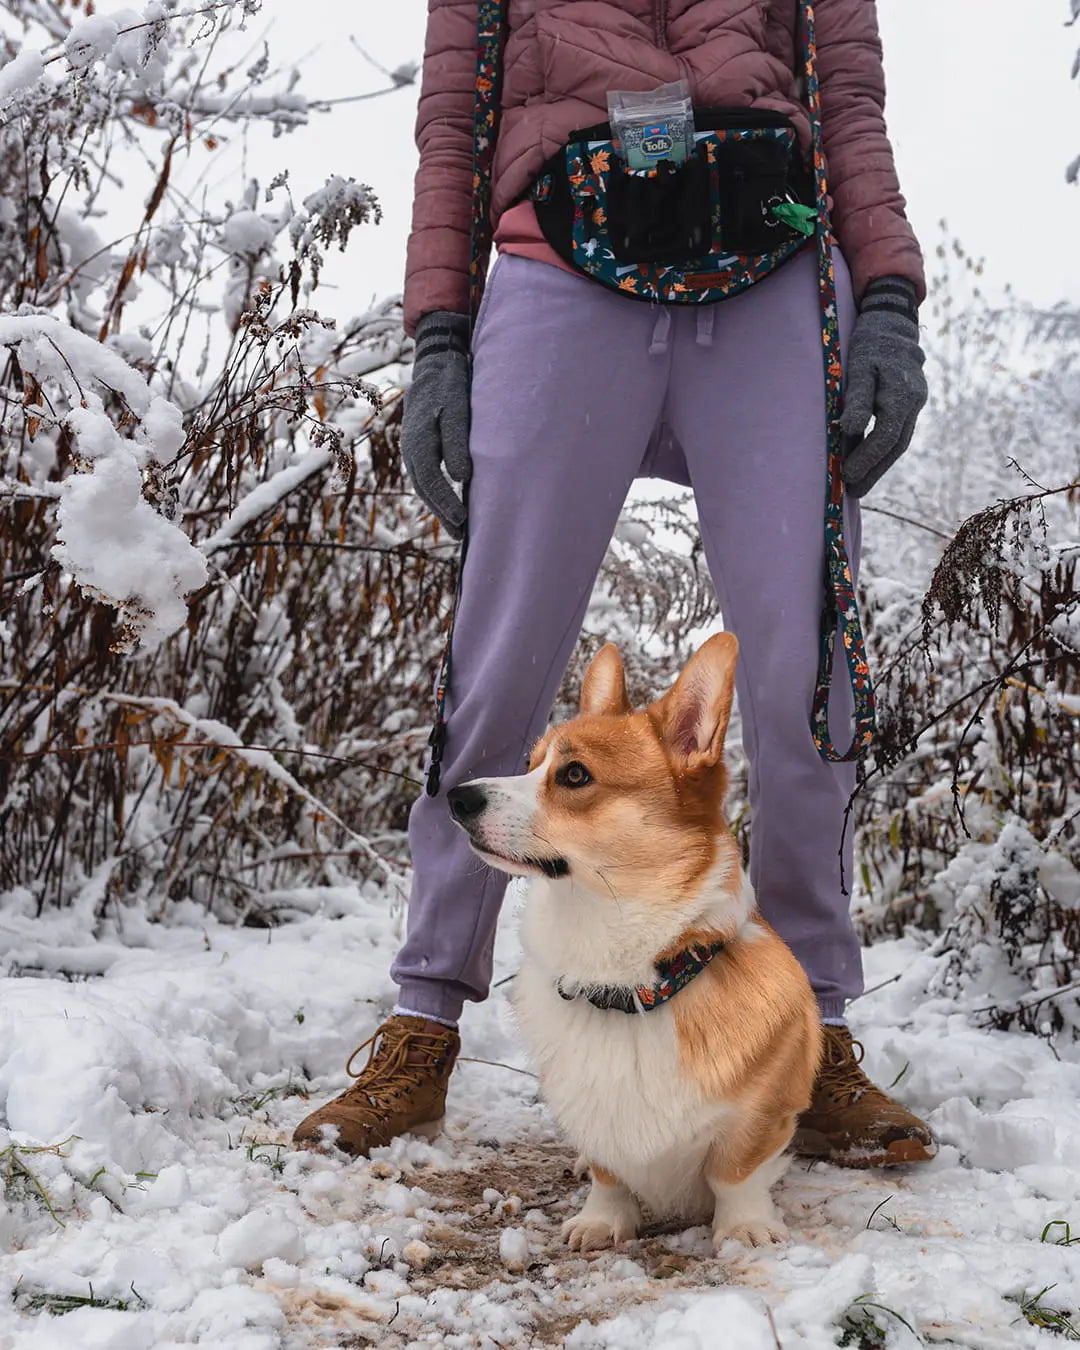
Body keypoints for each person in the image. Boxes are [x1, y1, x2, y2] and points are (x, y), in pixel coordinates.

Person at [294, 0, 933, 1167]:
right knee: (498, 671)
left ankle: (814, 1034)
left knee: (805, 676)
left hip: (777, 272)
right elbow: (454, 123)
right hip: (559, 267)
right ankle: (422, 1021)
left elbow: (848, 95)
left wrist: (888, 299)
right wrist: (439, 336)